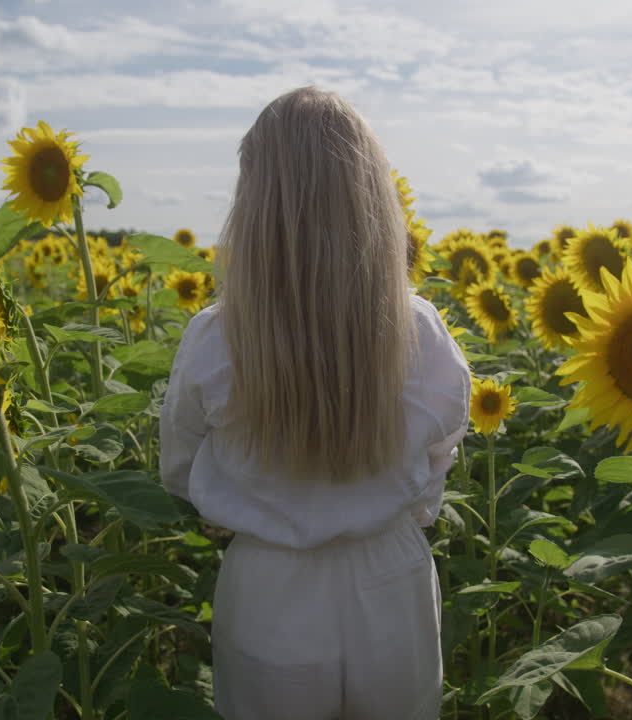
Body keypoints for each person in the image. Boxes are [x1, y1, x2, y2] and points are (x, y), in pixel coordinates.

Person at [160, 86, 471, 720]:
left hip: (268, 585)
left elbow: (180, 466)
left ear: (254, 208)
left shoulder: (217, 338)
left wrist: (232, 503)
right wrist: (404, 503)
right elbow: (444, 447)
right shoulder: (419, 329)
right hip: (392, 575)